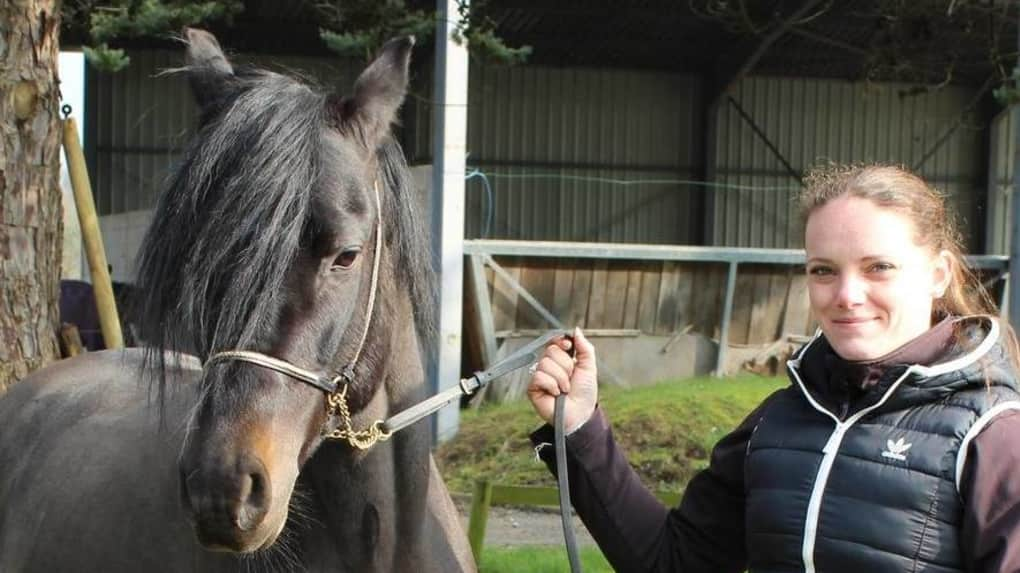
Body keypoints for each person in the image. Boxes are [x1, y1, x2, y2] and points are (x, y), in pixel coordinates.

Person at [526, 164, 1020, 572]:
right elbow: (673, 563)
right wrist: (579, 427)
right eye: (823, 270)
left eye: (878, 267)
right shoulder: (778, 420)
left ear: (938, 275)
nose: (847, 296)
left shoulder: (994, 435)